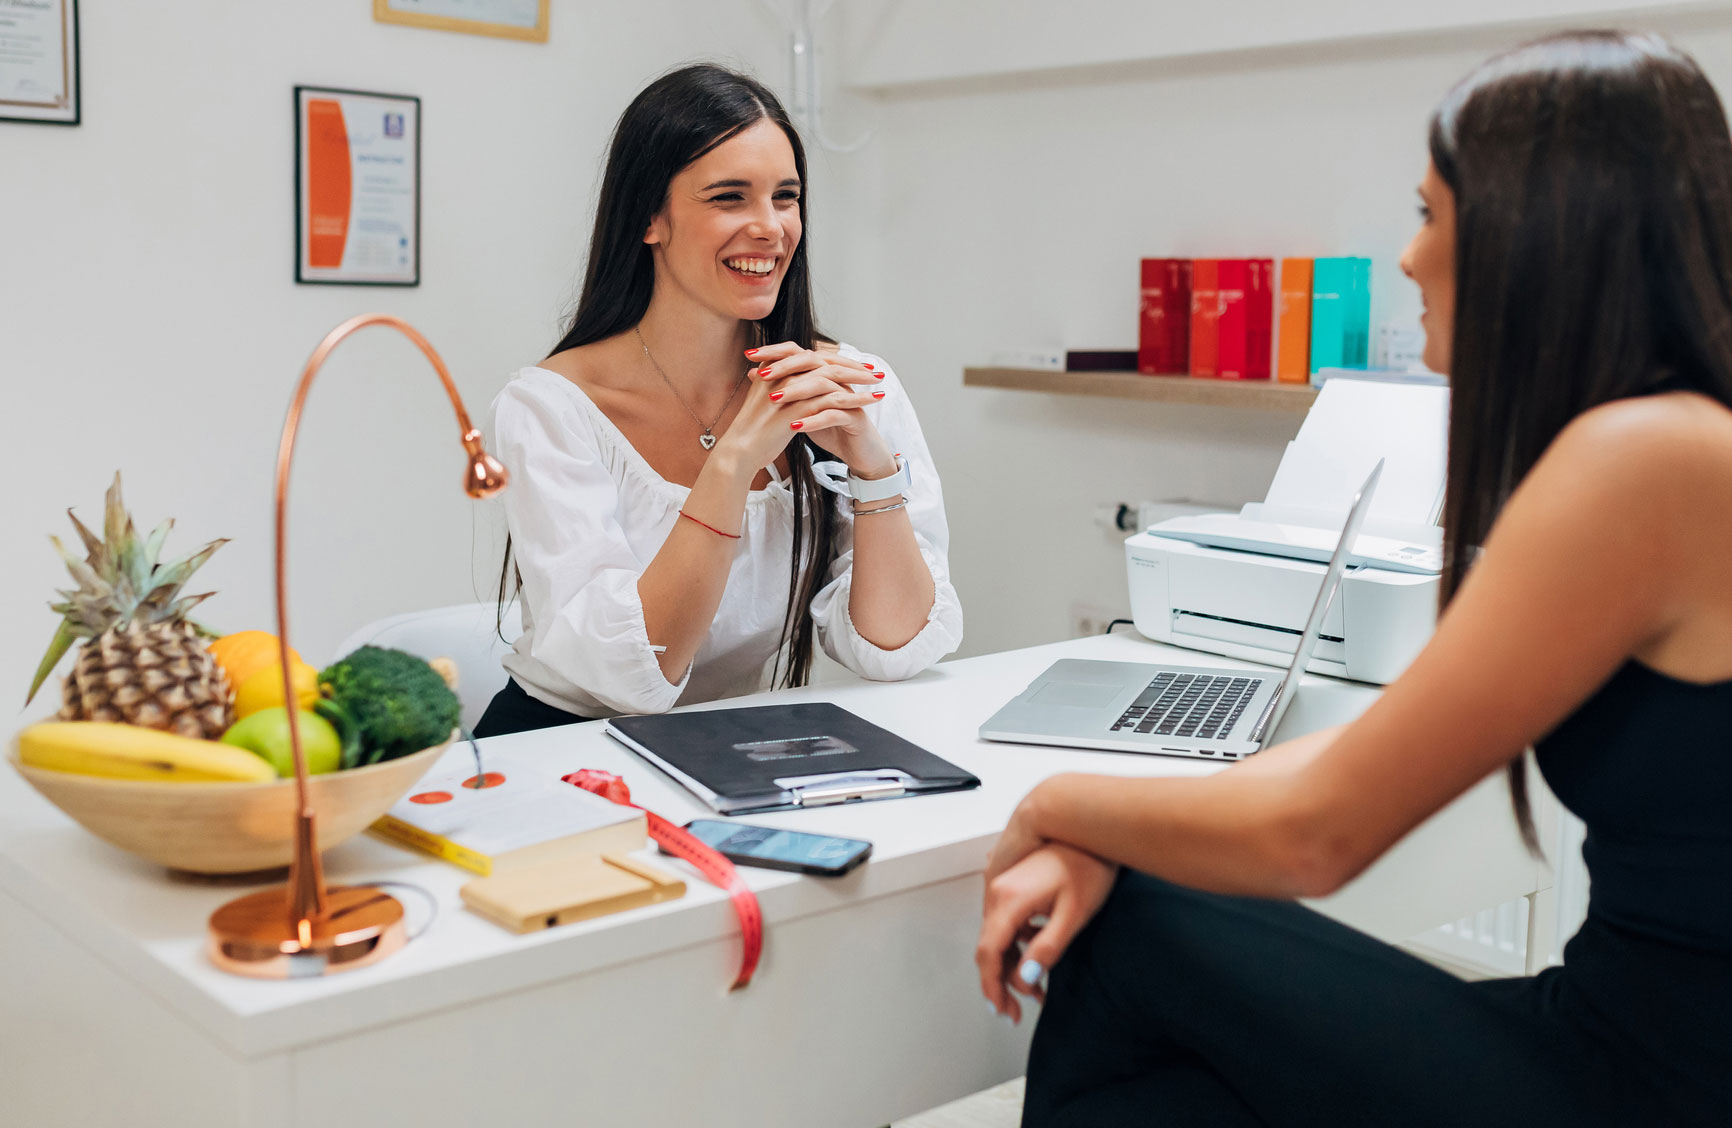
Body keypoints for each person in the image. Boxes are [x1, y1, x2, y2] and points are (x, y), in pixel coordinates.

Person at [976, 31, 1732, 1127]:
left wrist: (1057, 807)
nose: (1410, 259)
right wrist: (1114, 823)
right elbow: (1377, 750)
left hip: (1647, 1084)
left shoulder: (1644, 459)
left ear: (1542, 229)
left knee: (1135, 936)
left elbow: (1315, 836)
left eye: (1429, 215)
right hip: (1645, 1054)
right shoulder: (1679, 445)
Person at [476, 65, 961, 737]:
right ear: (650, 217)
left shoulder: (849, 386)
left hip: (732, 743)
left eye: (785, 198)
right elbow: (634, 674)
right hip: (560, 745)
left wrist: (874, 471)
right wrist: (732, 464)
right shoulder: (551, 407)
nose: (769, 228)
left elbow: (893, 648)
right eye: (730, 197)